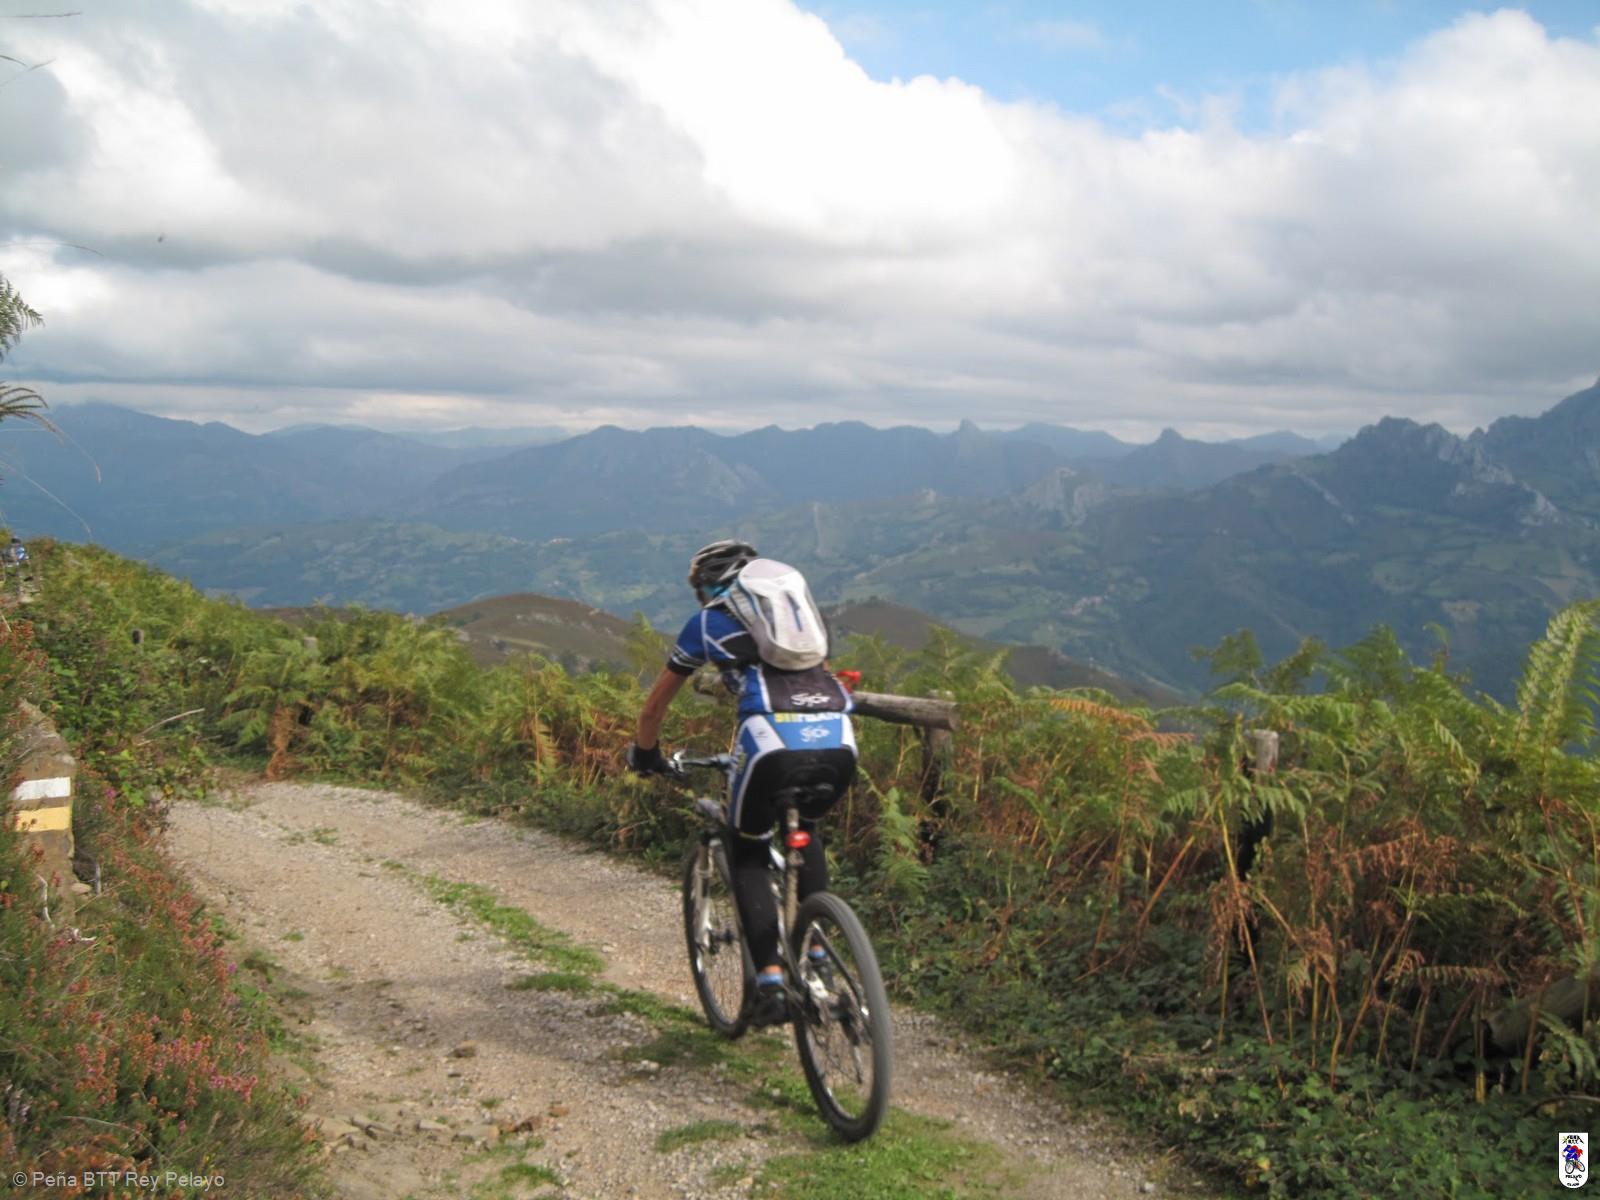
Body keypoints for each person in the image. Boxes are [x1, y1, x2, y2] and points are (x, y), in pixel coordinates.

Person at [627, 539, 856, 1025]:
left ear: (710, 587)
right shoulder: (798, 619)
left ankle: (770, 983)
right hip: (838, 736)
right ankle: (818, 953)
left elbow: (654, 707)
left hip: (770, 741)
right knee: (806, 829)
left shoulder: (707, 622)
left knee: (749, 846)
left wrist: (646, 754)